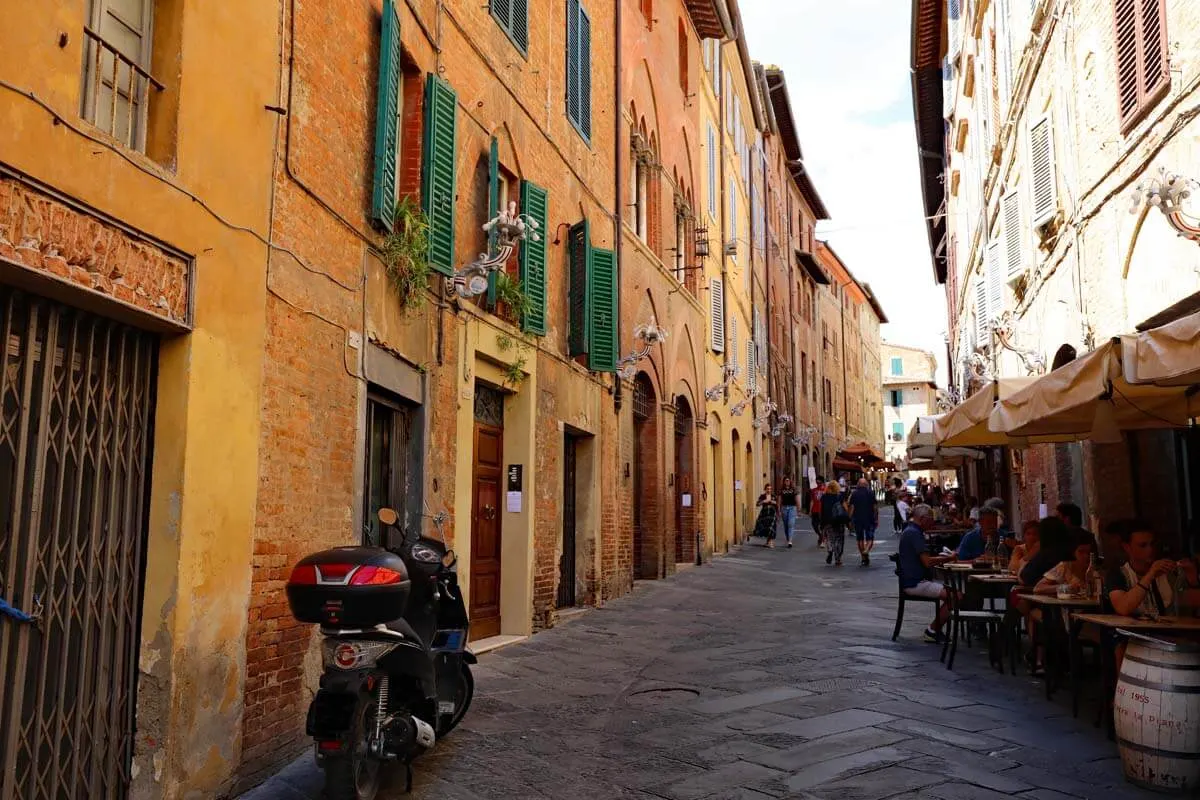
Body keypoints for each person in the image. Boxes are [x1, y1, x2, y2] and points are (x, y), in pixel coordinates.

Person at [1105, 522, 1200, 618]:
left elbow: (1191, 606)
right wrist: (1150, 575)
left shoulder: (1169, 571)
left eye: (1152, 544)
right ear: (1127, 547)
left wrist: (1193, 579)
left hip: (1170, 630)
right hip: (1134, 631)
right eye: (1143, 545)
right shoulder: (1117, 574)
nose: (1150, 549)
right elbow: (1123, 608)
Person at [897, 503, 955, 643]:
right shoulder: (914, 533)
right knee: (955, 597)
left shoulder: (911, 531)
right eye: (930, 519)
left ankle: (934, 629)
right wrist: (948, 558)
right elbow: (927, 562)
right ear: (923, 519)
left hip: (914, 580)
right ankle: (933, 630)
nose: (932, 522)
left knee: (954, 595)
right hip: (915, 582)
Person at [1019, 517, 1074, 589]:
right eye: (1028, 534)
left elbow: (1024, 578)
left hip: (1044, 595)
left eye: (1036, 534)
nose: (1032, 537)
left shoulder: (1046, 554)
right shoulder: (1069, 551)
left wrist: (1025, 561)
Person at [849, 478, 879, 567]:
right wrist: (876, 518)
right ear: (866, 484)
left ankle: (863, 557)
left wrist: (849, 519)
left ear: (858, 484)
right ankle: (866, 550)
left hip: (857, 518)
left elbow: (852, 507)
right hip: (869, 518)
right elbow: (875, 507)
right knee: (870, 537)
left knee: (860, 538)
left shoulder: (854, 494)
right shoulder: (871, 493)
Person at [820, 480, 849, 567]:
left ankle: (830, 550)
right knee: (839, 539)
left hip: (827, 520)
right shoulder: (840, 496)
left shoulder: (824, 497)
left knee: (830, 537)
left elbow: (821, 510)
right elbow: (845, 508)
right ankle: (838, 559)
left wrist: (821, 521)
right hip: (838, 521)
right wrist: (847, 518)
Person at [754, 483, 779, 548]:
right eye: (767, 489)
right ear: (765, 489)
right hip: (765, 514)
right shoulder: (762, 496)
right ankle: (768, 542)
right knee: (767, 528)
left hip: (772, 514)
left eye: (770, 489)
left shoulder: (774, 496)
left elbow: (777, 504)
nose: (769, 490)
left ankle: (771, 542)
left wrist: (774, 502)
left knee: (772, 527)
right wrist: (763, 501)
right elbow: (757, 504)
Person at [778, 477, 800, 549]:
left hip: (792, 508)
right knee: (786, 525)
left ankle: (790, 541)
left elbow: (797, 499)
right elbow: (780, 500)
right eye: (786, 481)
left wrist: (798, 509)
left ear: (790, 482)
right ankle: (788, 538)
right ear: (784, 482)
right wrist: (779, 510)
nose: (787, 482)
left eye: (788, 480)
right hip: (784, 508)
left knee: (791, 524)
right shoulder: (781, 490)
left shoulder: (793, 490)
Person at [809, 479, 825, 548]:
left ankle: (823, 540)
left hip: (822, 511)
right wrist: (810, 510)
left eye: (820, 482)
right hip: (814, 510)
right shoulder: (813, 490)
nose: (818, 484)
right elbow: (812, 500)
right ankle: (821, 536)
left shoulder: (825, 490)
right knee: (814, 525)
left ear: (822, 483)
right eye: (817, 482)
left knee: (822, 526)